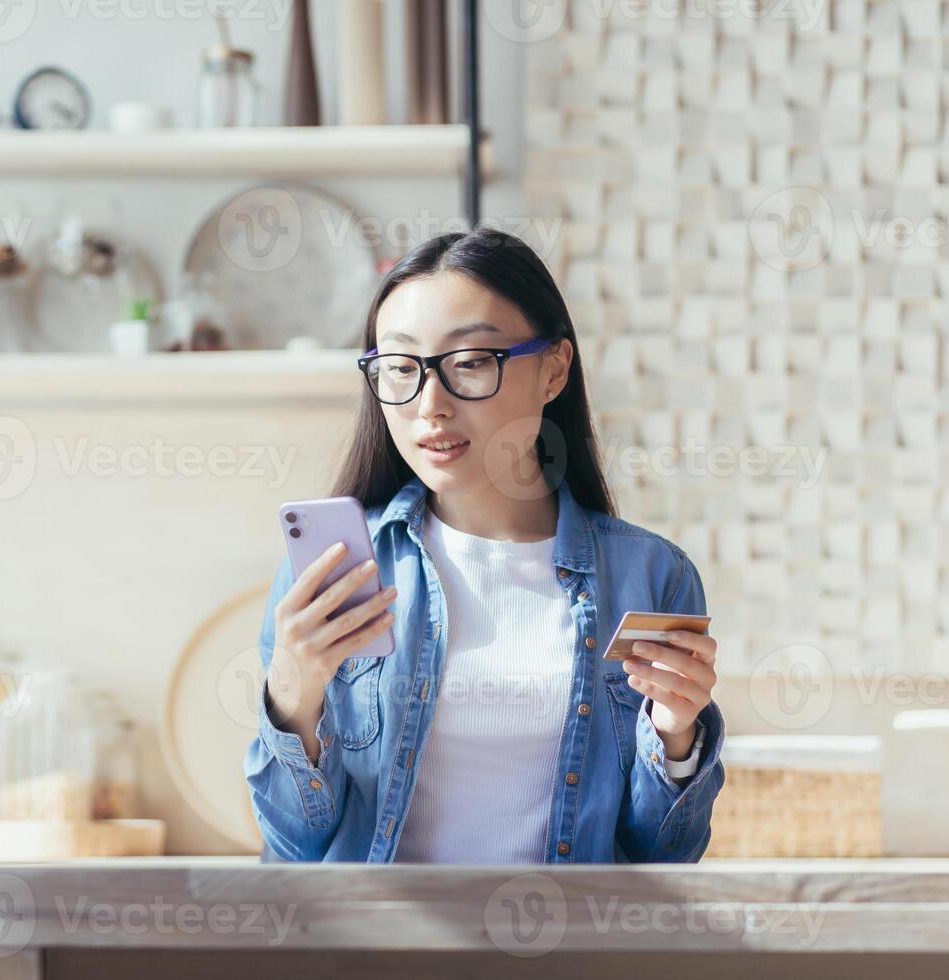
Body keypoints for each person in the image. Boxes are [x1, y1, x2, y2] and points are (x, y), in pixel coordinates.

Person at [245, 229, 724, 863]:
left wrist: (677, 735)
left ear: (553, 369)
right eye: (400, 367)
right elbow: (291, 850)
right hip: (378, 956)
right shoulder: (336, 573)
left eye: (470, 362)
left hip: (562, 956)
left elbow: (665, 860)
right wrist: (293, 699)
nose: (430, 406)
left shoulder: (648, 575)